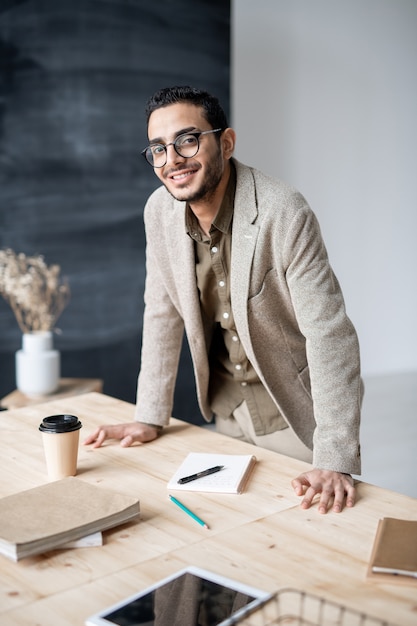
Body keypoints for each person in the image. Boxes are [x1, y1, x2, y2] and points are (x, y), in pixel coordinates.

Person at [84, 85, 362, 514]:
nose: (172, 160)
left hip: (291, 416)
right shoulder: (158, 211)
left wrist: (334, 458)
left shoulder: (284, 212)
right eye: (158, 148)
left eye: (187, 140)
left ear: (226, 142)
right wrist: (149, 416)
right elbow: (161, 313)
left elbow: (330, 336)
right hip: (224, 413)